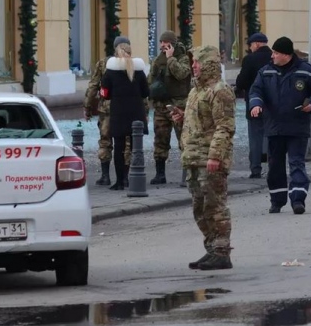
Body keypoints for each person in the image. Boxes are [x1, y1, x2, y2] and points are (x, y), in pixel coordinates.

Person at [170, 45, 236, 271]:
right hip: (194, 159)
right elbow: (200, 123)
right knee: (200, 208)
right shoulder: (195, 91)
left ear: (207, 63)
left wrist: (215, 156)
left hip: (210, 159)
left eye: (197, 62)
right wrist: (181, 118)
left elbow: (224, 127)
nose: (193, 66)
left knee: (215, 206)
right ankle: (211, 248)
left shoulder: (220, 91)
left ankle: (221, 251)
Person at [248, 37, 311, 215]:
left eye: (276, 53)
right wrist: (256, 104)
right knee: (275, 166)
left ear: (286, 55)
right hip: (274, 127)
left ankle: (298, 199)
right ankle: (277, 200)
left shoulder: (306, 71)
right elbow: (256, 90)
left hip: (297, 126)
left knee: (296, 163)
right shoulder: (266, 72)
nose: (272, 56)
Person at [84, 36, 133, 187]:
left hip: (106, 109)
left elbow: (93, 86)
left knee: (105, 141)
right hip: (126, 109)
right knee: (126, 142)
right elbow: (139, 91)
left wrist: (87, 106)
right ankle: (124, 177)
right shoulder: (133, 64)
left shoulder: (103, 63)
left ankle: (105, 176)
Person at [100, 41, 149, 191]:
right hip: (136, 113)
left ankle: (120, 181)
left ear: (116, 54)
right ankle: (134, 178)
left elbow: (105, 94)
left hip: (118, 113)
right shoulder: (139, 71)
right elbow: (146, 92)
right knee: (135, 148)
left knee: (119, 147)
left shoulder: (110, 71)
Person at [147, 30, 192, 186]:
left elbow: (181, 75)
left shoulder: (183, 58)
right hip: (161, 106)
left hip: (178, 105)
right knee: (160, 140)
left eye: (165, 43)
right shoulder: (158, 60)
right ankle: (160, 174)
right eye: (161, 43)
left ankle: (187, 174)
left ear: (172, 43)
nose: (162, 46)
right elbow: (150, 81)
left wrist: (171, 58)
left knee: (184, 140)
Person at [234, 32, 272, 179]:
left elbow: (241, 82)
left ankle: (255, 169)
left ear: (256, 44)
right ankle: (273, 167)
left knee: (255, 137)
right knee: (272, 136)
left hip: (254, 103)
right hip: (273, 105)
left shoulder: (250, 59)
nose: (250, 48)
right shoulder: (274, 57)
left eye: (250, 45)